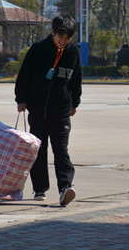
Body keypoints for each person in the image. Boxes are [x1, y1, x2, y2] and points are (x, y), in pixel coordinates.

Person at [14, 15, 82, 207]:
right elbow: (24, 75)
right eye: (61, 36)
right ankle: (40, 188)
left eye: (68, 37)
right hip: (37, 110)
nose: (64, 40)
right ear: (53, 32)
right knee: (38, 149)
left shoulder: (73, 52)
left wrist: (75, 102)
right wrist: (21, 99)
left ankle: (65, 187)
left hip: (61, 111)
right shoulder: (38, 49)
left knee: (61, 149)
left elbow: (76, 80)